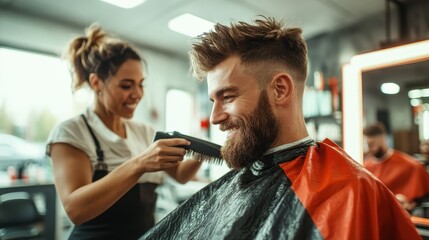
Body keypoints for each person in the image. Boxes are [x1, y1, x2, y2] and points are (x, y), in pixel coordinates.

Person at [140, 17, 421, 239]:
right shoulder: (242, 180)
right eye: (214, 99)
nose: (214, 118)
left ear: (280, 90)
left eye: (227, 97)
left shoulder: (350, 194)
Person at [45, 24, 202, 239]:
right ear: (96, 82)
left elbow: (180, 175)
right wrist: (140, 163)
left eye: (141, 85)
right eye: (126, 86)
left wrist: (203, 150)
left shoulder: (144, 132)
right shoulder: (72, 132)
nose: (137, 94)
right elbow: (76, 209)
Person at [363, 122, 429, 212]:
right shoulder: (365, 168)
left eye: (371, 144)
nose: (368, 149)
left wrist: (412, 204)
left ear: (383, 139)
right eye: (366, 145)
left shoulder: (410, 165)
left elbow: (421, 194)